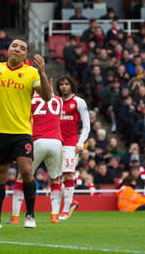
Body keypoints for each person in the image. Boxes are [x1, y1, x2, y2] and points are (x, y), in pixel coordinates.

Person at [0, 40, 52, 229]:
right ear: (8, 49)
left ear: (25, 55)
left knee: (27, 169)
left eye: (22, 48)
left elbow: (47, 96)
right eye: (15, 46)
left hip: (22, 131)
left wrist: (43, 73)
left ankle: (30, 216)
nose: (18, 49)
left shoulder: (32, 73)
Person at [7, 86, 64, 225]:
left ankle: (15, 217)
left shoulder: (31, 100)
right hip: (57, 141)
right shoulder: (59, 100)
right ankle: (54, 215)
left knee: (23, 176)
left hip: (38, 140)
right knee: (55, 178)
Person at [56, 76, 90, 220]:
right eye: (61, 84)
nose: (64, 86)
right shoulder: (55, 102)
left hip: (71, 144)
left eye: (66, 84)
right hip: (56, 143)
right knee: (54, 178)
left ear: (71, 86)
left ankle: (65, 209)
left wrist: (81, 143)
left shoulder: (79, 102)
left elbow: (86, 125)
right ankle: (72, 202)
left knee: (68, 174)